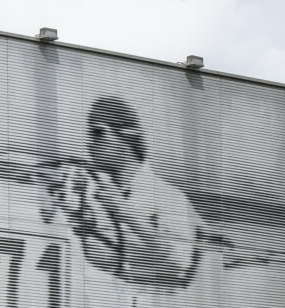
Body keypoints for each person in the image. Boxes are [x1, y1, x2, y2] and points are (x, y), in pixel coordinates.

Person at [77, 96, 203, 289]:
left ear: (127, 135)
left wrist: (127, 214)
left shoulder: (168, 196)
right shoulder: (100, 195)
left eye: (98, 133)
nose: (90, 144)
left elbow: (180, 263)